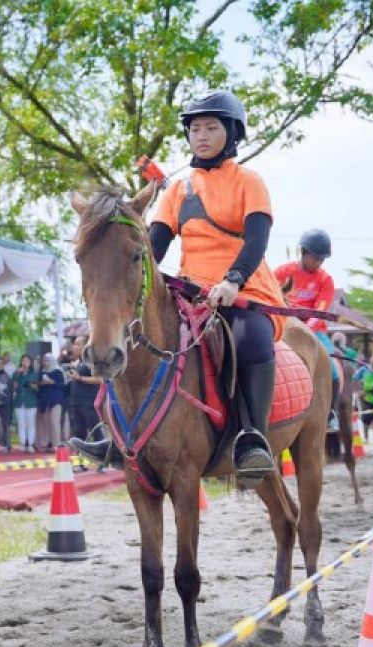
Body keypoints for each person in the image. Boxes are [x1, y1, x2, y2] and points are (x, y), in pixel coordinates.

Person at [78, 90, 285, 487]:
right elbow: (153, 246)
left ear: (232, 132)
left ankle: (251, 437)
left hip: (244, 291)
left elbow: (256, 242)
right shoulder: (177, 190)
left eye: (211, 128)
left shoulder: (249, 182)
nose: (201, 136)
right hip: (191, 292)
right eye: (195, 129)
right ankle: (113, 432)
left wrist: (233, 281)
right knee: (131, 335)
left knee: (250, 338)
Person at [274, 229, 339, 430]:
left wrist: (305, 329)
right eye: (315, 257)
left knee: (333, 368)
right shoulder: (282, 273)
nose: (318, 263)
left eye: (322, 259)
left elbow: (320, 308)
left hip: (314, 329)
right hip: (283, 325)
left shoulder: (325, 280)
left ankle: (331, 412)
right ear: (303, 252)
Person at [37, 354, 65, 451]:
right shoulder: (41, 372)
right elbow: (38, 387)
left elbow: (62, 385)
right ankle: (47, 443)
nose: (45, 362)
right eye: (44, 360)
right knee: (46, 423)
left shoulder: (58, 371)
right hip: (45, 400)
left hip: (56, 399)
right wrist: (41, 384)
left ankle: (56, 444)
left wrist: (52, 382)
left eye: (47, 360)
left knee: (54, 422)